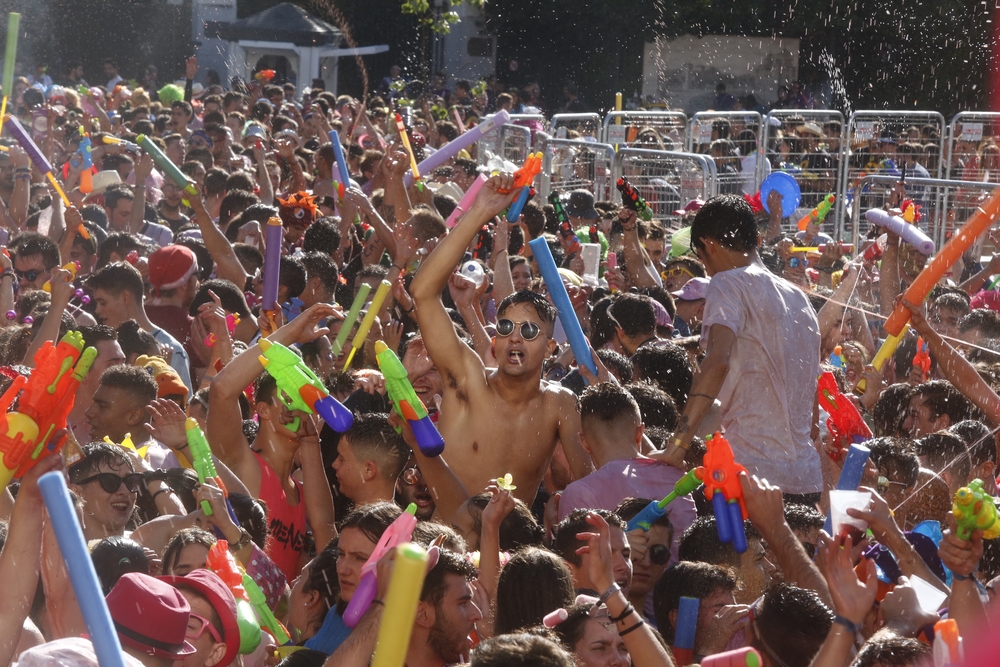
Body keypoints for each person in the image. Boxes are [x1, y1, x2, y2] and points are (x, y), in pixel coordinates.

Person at [410, 173, 592, 504]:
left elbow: (588, 485)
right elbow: (422, 293)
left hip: (514, 548)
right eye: (505, 329)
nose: (515, 339)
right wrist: (479, 212)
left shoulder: (560, 404)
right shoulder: (467, 381)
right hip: (449, 543)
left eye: (529, 331)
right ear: (494, 341)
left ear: (551, 347)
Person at [657, 195, 823, 502]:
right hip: (806, 480)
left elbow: (716, 363)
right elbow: (812, 414)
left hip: (749, 476)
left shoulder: (728, 282)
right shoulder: (800, 299)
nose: (706, 271)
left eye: (701, 259)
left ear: (709, 245)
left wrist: (677, 445)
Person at [557, 382, 695, 561]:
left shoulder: (579, 493)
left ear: (584, 442)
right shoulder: (677, 477)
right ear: (640, 433)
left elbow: (576, 568)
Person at [86, 261, 193, 395]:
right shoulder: (104, 345)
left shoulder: (172, 351)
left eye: (103, 302)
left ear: (125, 298)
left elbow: (183, 409)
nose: (97, 310)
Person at [332, 412, 409, 506]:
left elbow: (320, 520)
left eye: (341, 459)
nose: (334, 464)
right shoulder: (404, 520)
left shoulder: (374, 521)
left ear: (369, 470)